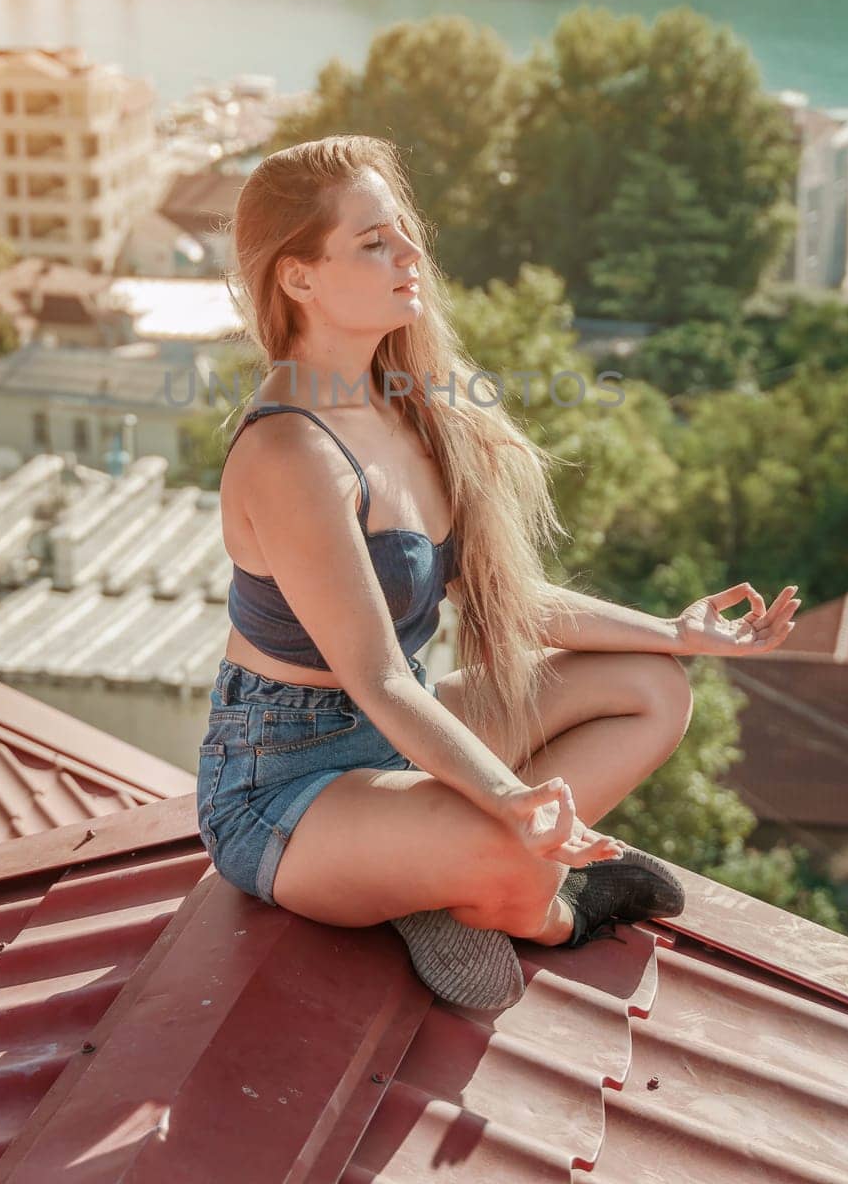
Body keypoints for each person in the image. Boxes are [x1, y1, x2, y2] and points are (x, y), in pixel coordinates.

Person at [195, 134, 801, 1009]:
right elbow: (373, 680)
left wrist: (674, 631)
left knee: (653, 687)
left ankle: (438, 876)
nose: (411, 255)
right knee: (510, 847)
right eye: (373, 242)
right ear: (298, 277)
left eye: (402, 232)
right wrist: (510, 801)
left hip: (397, 737)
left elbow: (501, 602)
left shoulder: (403, 403)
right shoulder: (290, 448)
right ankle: (540, 910)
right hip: (284, 785)